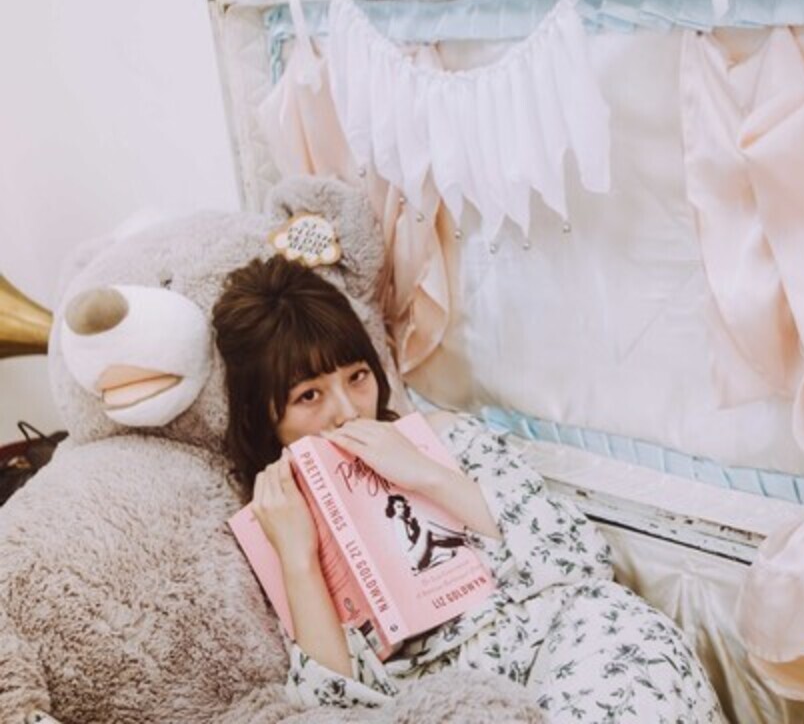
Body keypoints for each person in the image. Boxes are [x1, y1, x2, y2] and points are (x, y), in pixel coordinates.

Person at [212, 255, 725, 721]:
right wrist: (298, 559)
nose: (347, 410)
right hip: (459, 704)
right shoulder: (271, 523)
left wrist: (426, 473)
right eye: (309, 395)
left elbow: (578, 558)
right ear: (263, 417)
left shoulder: (445, 437)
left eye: (357, 376)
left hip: (583, 644)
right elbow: (335, 705)